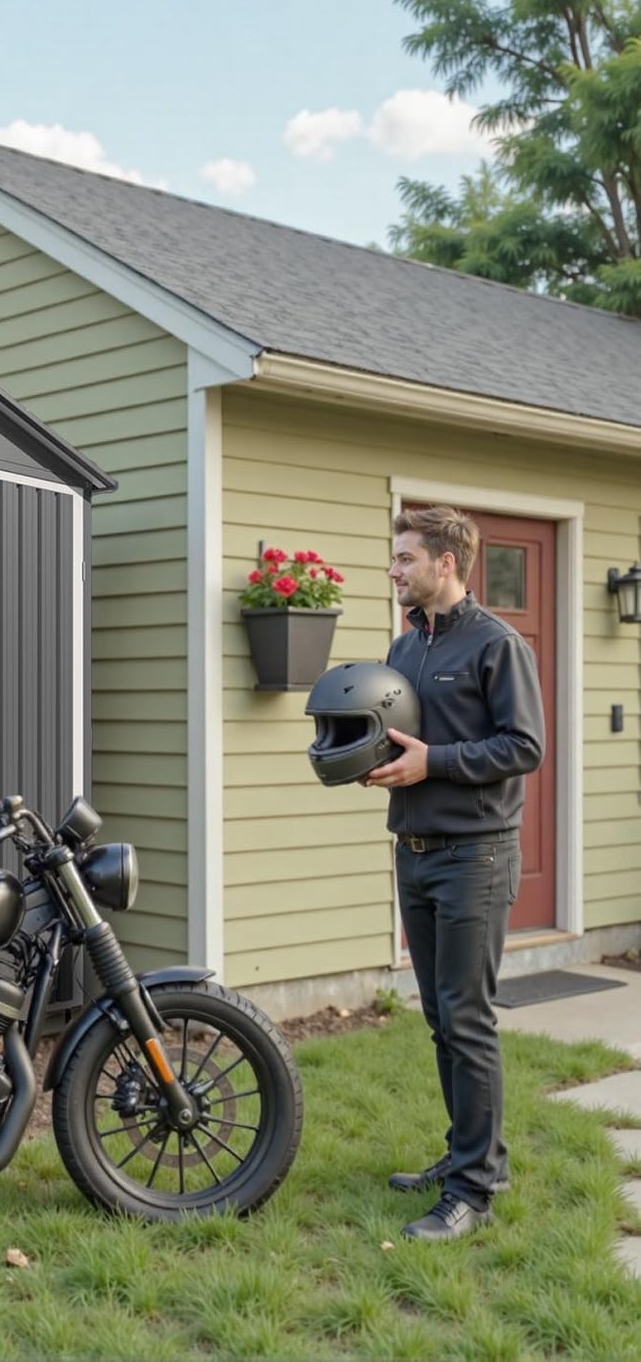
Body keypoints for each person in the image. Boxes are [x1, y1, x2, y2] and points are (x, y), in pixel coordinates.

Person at [364, 505, 544, 1242]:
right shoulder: (405, 647)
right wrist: (367, 762)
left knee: (467, 1021)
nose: (393, 568)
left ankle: (474, 1188)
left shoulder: (496, 645)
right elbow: (396, 735)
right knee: (440, 1019)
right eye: (394, 556)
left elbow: (523, 744)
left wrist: (431, 762)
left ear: (445, 563)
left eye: (404, 557)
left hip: (477, 854)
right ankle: (463, 1154)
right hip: (414, 851)